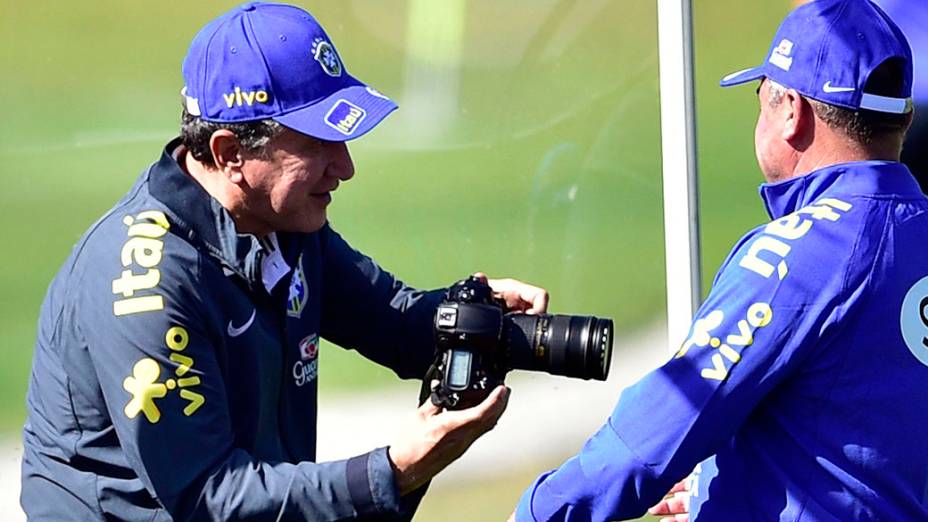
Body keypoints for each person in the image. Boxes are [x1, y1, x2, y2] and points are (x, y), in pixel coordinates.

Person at [20, 3, 550, 520]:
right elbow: (211, 498)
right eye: (318, 143)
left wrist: (477, 317)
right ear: (230, 154)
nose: (345, 167)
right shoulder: (146, 288)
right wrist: (391, 471)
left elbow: (394, 321)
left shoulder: (282, 227)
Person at [512, 0, 928, 520]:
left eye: (762, 95)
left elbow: (652, 436)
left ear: (791, 112)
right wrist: (725, 481)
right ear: (905, 118)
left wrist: (535, 512)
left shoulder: (799, 256)